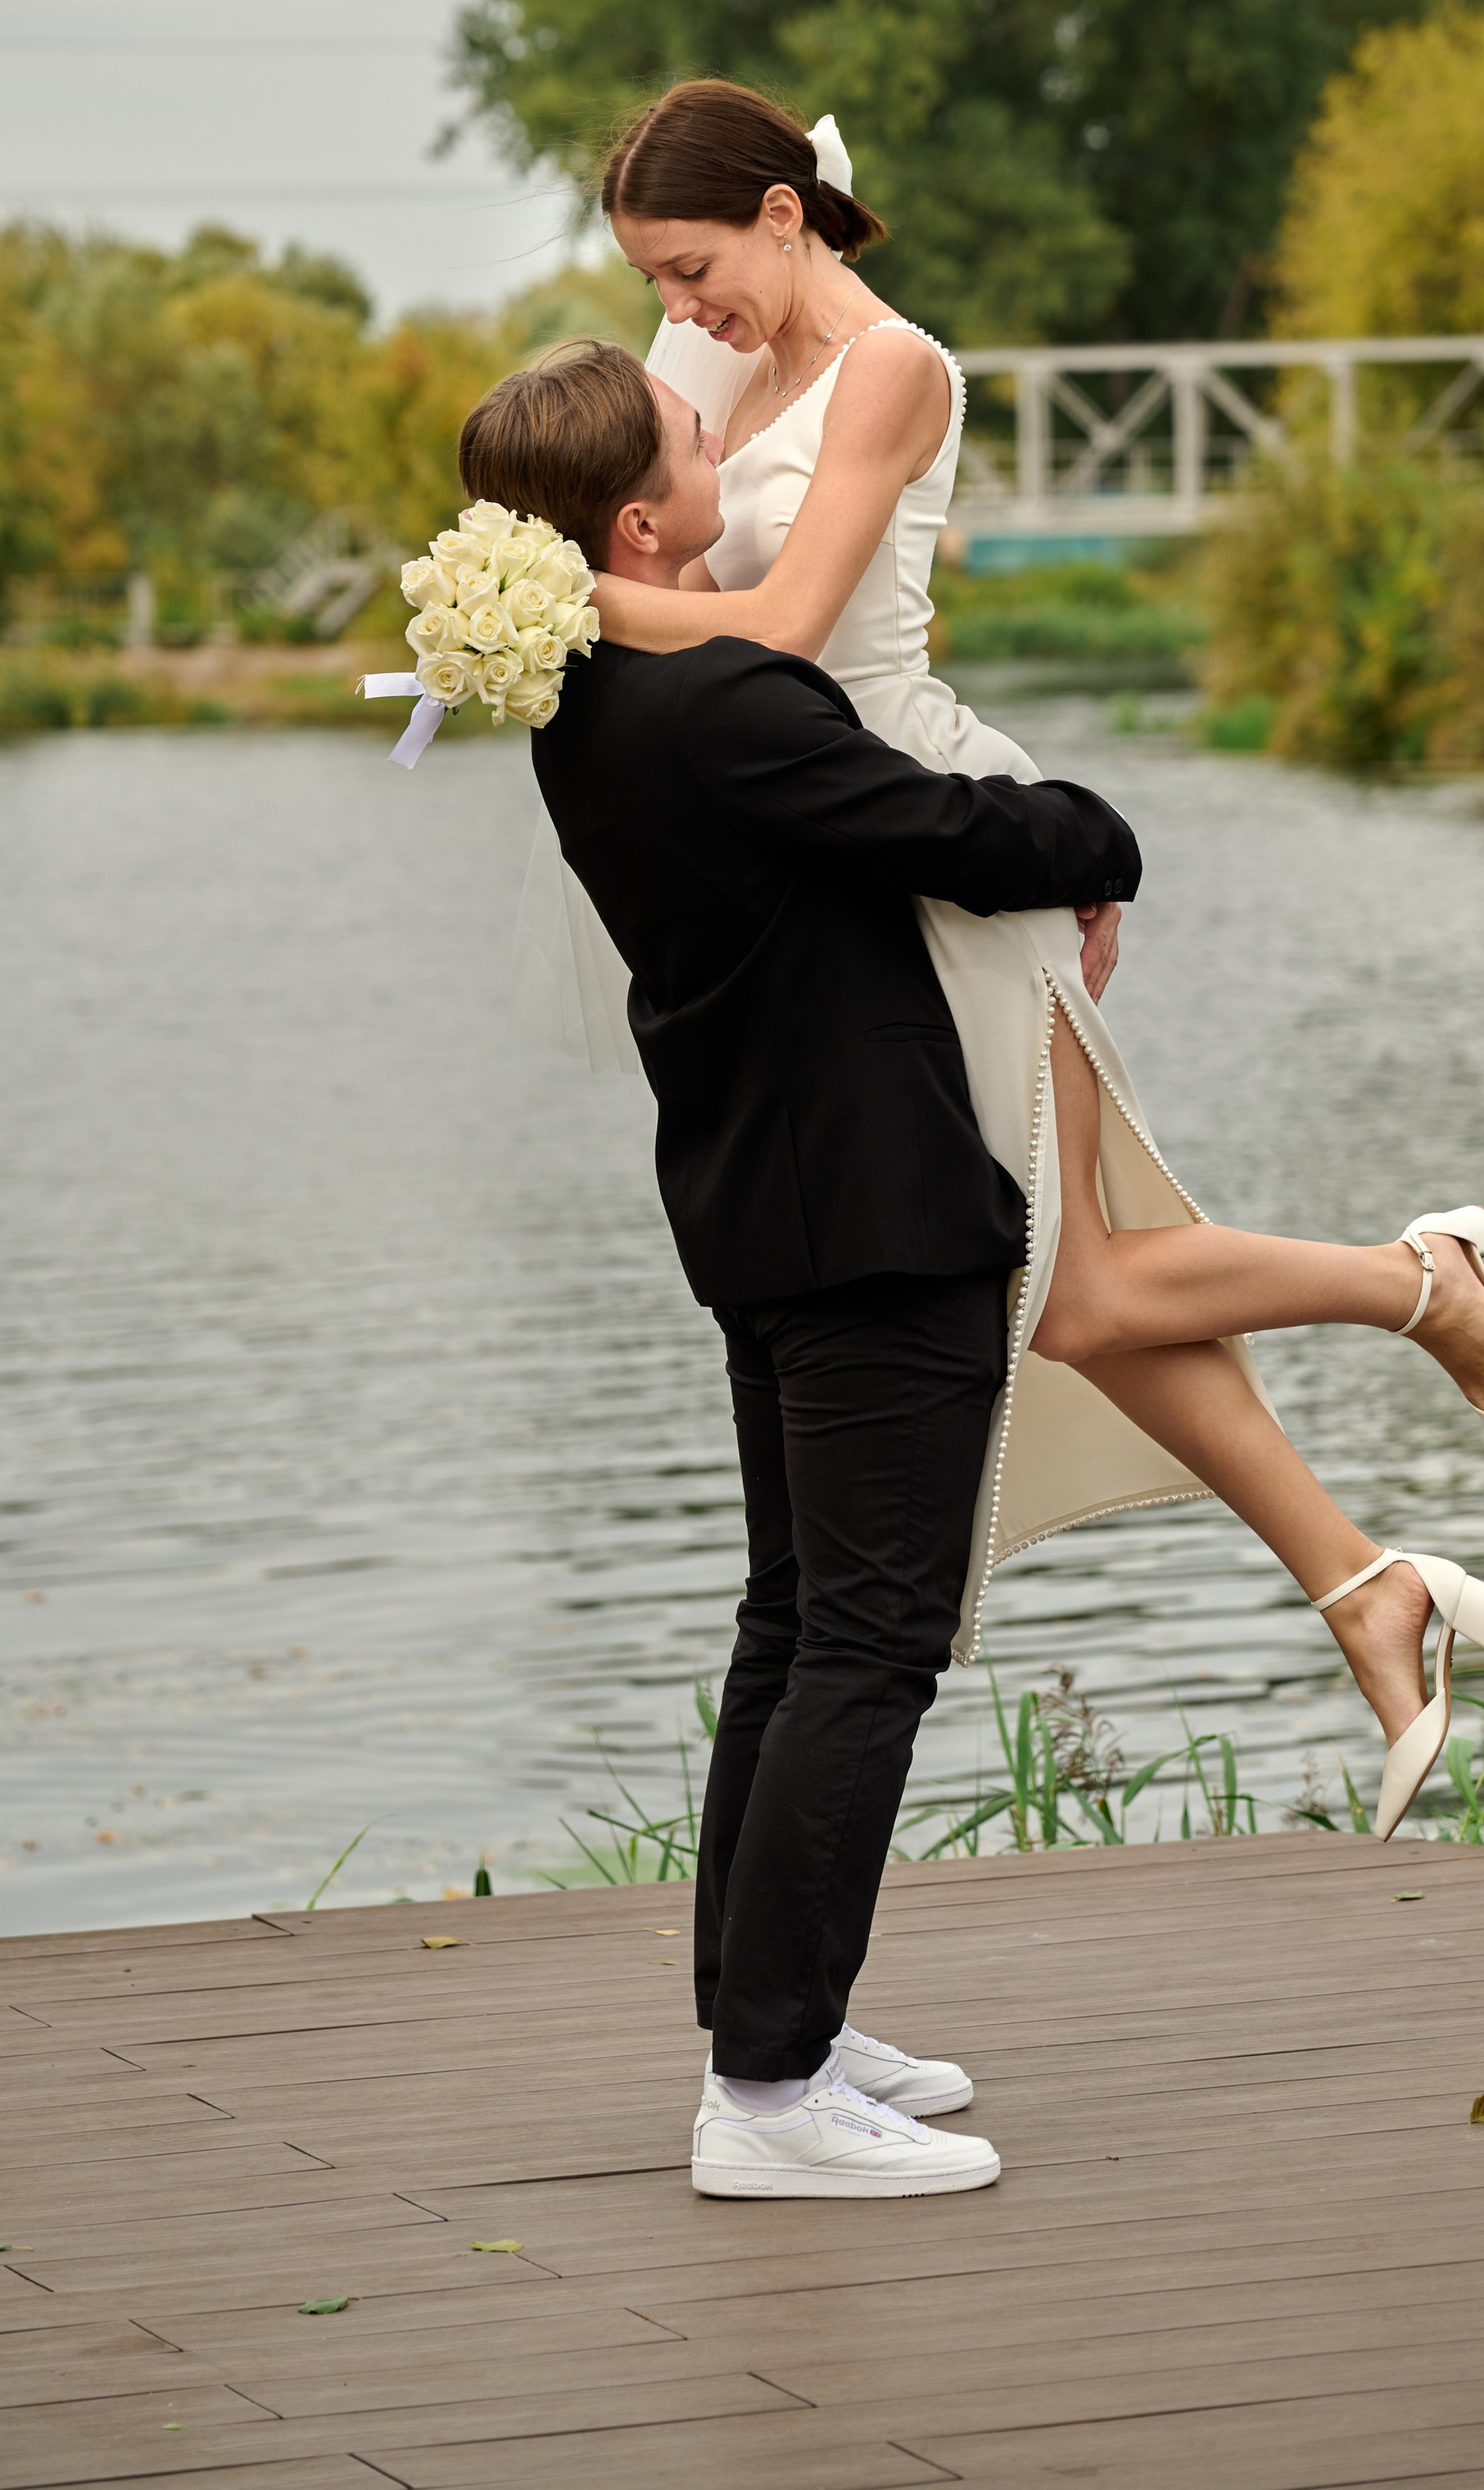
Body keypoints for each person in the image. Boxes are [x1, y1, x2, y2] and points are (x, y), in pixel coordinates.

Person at [527, 79, 1484, 1846]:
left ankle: (1418, 1289)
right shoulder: (698, 366)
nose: (678, 314)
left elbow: (772, 632)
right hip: (824, 864)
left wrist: (565, 605)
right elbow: (635, 520)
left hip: (924, 821)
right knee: (1072, 1286)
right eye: (655, 283)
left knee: (1066, 1290)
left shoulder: (893, 369)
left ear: (783, 212)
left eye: (693, 268)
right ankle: (1366, 1576)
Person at [458, 341, 1147, 2200]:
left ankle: (770, 2026)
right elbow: (956, 834)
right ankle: (763, 2103)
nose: (723, 443)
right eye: (696, 440)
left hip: (760, 1208)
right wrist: (1105, 836)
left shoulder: (593, 706)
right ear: (639, 521)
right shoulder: (726, 709)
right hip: (866, 1218)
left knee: (790, 1625)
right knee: (868, 1639)